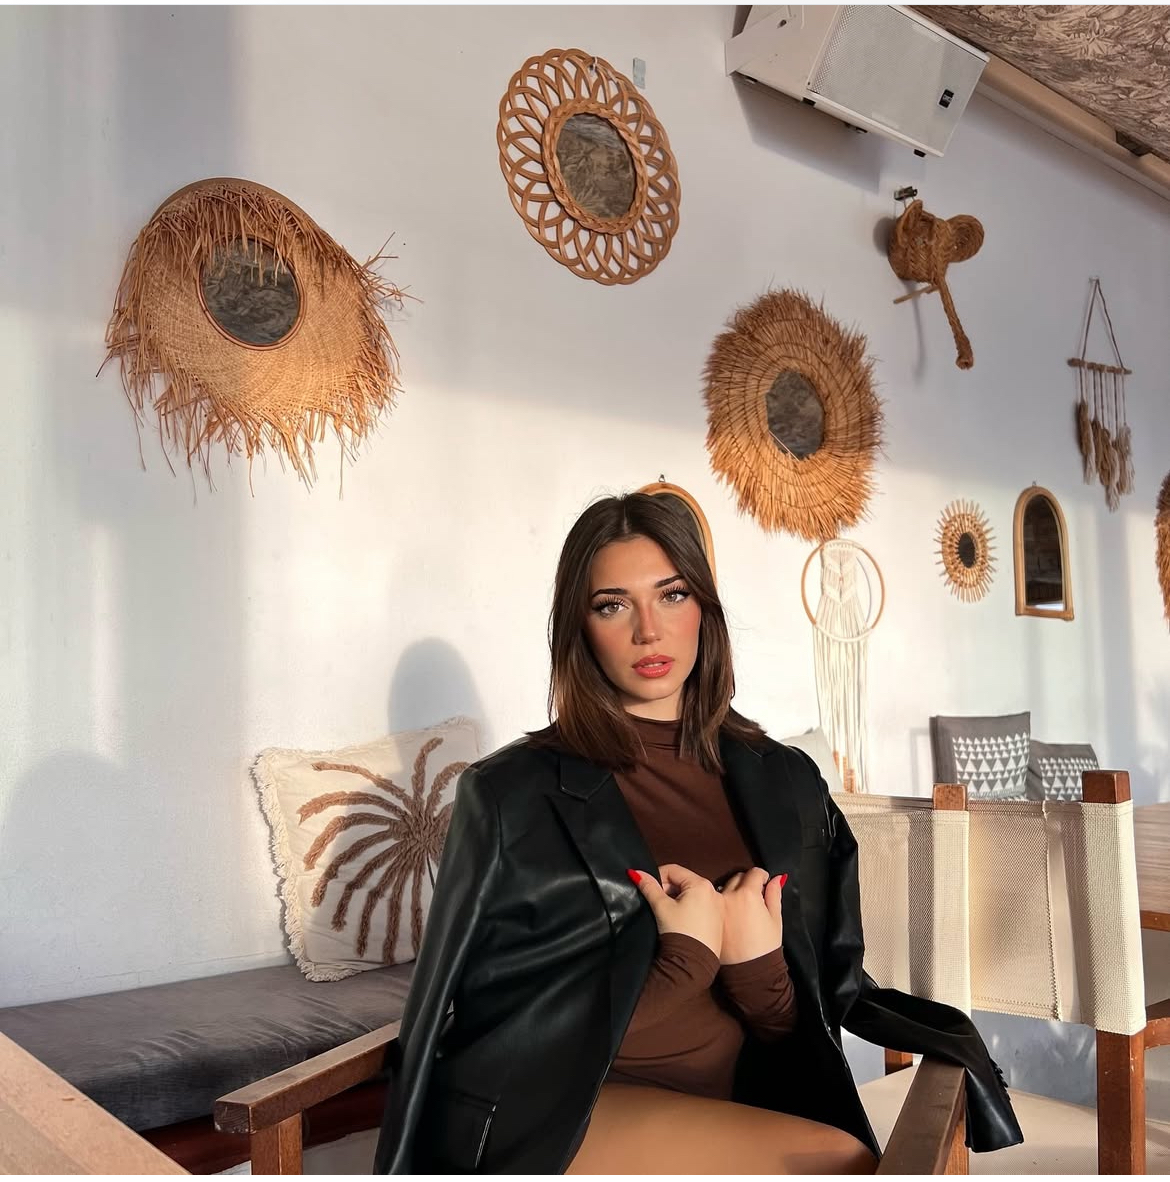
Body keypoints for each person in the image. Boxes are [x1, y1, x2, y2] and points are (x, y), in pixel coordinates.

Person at [374, 492, 1022, 1174]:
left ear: (704, 609)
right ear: (579, 627)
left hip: (732, 1102)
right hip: (560, 1112)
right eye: (613, 605)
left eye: (672, 595)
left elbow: (815, 1002)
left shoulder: (787, 781)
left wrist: (760, 974)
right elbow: (484, 1022)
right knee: (840, 1165)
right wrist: (685, 960)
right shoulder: (509, 794)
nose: (648, 631)